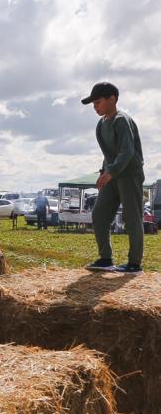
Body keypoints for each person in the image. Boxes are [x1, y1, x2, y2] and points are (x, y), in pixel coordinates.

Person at [83, 82, 145, 273]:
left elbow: (127, 152)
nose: (95, 107)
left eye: (98, 102)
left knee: (132, 218)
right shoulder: (101, 124)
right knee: (99, 215)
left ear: (112, 99)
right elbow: (108, 154)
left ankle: (134, 263)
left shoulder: (122, 120)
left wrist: (110, 172)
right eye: (93, 103)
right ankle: (106, 259)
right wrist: (104, 173)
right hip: (111, 175)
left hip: (130, 175)